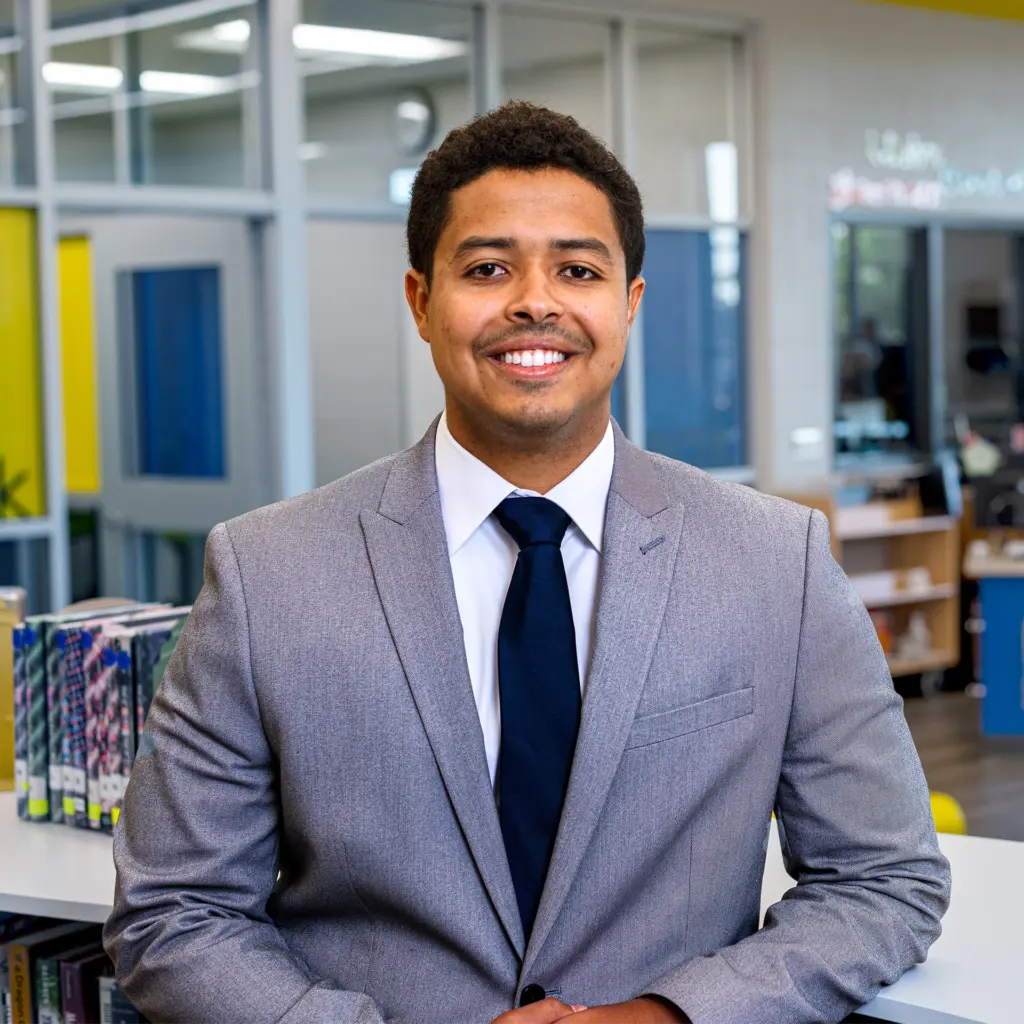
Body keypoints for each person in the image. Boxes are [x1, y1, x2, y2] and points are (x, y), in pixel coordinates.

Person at [104, 103, 950, 1024]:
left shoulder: (773, 561)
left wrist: (667, 1018)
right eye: (487, 268)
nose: (535, 301)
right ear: (422, 300)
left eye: (578, 269)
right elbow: (174, 913)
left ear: (627, 303)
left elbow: (883, 878)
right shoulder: (268, 572)